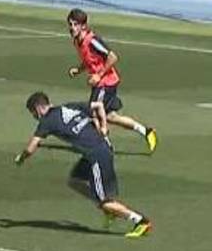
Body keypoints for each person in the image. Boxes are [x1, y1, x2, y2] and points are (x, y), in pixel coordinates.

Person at [15, 91, 152, 238]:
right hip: (99, 149)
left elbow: (31, 148)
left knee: (104, 201)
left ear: (38, 108)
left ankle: (140, 221)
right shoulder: (69, 107)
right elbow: (99, 105)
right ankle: (108, 209)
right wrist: (104, 127)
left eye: (33, 113)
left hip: (97, 154)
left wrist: (21, 158)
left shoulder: (47, 121)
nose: (35, 117)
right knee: (75, 181)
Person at [66, 8, 157, 153]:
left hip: (106, 83)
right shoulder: (77, 41)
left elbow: (112, 57)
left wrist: (98, 75)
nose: (72, 28)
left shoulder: (92, 41)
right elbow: (90, 61)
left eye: (75, 24)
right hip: (102, 83)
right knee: (110, 117)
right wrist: (78, 69)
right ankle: (146, 131)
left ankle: (104, 144)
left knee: (94, 110)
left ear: (83, 26)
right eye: (70, 24)